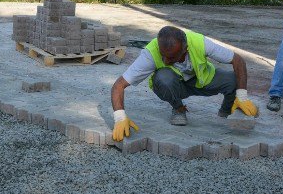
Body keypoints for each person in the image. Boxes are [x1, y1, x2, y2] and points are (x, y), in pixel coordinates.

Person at [110, 25, 258, 142]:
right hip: (175, 86)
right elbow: (118, 85)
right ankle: (178, 108)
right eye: (163, 56)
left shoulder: (200, 42)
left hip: (203, 81)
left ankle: (229, 110)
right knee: (162, 79)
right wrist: (120, 117)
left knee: (232, 80)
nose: (166, 61)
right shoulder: (150, 53)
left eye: (172, 57)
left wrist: (242, 96)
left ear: (185, 49)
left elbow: (238, 60)